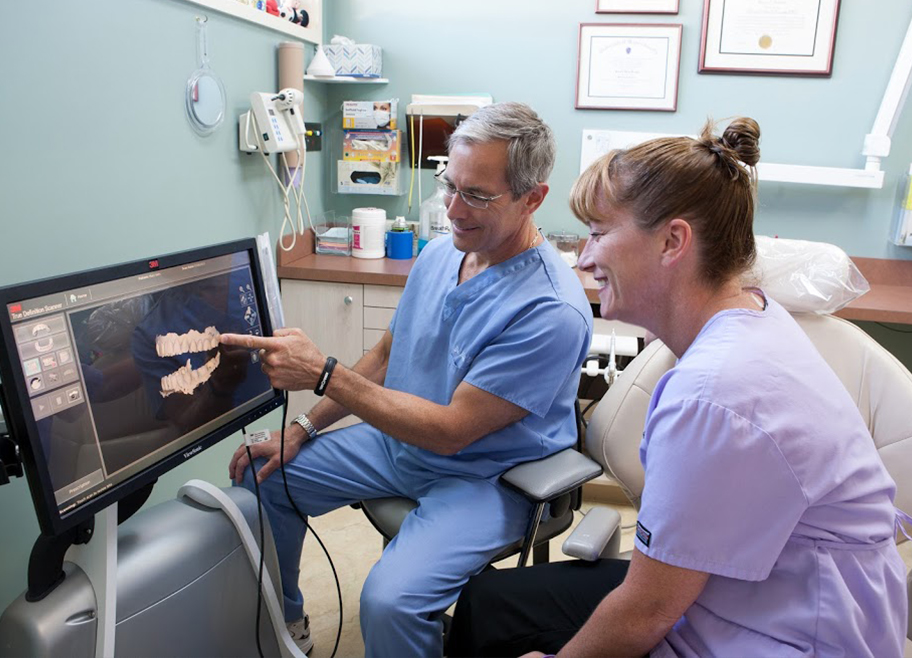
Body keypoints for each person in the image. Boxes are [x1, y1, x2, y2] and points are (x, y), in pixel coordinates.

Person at [446, 118, 910, 658]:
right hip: (750, 591)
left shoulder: (713, 393)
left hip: (787, 634)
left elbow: (646, 612)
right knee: (492, 603)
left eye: (598, 234)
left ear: (673, 241)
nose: (585, 258)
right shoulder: (753, 315)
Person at [220, 102, 593, 657]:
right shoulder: (443, 253)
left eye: (478, 196)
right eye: (450, 185)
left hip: (487, 476)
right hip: (400, 442)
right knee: (265, 477)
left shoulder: (550, 310)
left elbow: (450, 432)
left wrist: (322, 374)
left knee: (390, 603)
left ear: (532, 198)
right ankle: (286, 623)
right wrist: (301, 427)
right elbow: (388, 352)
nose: (454, 209)